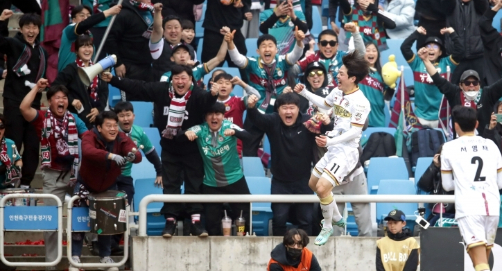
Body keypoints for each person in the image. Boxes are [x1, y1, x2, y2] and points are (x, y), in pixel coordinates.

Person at [102, 64, 219, 238]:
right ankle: (170, 221)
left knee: (194, 184)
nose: (180, 82)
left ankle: (195, 222)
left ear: (190, 80)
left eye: (184, 78)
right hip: (170, 149)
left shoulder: (198, 94)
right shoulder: (162, 90)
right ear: (171, 79)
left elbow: (208, 102)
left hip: (193, 150)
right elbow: (139, 87)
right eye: (176, 78)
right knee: (170, 185)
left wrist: (213, 95)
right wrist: (114, 80)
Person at [441, 106, 502, 271]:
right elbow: (501, 183)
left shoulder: (449, 148)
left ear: (455, 126)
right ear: (477, 124)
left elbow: (447, 185)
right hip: (492, 207)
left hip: (469, 209)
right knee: (482, 263)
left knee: (479, 262)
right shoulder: (491, 145)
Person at [294, 52, 371, 246]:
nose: (337, 75)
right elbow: (324, 104)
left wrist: (331, 142)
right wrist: (304, 93)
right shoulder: (337, 92)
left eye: (342, 73)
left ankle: (327, 225)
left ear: (353, 78)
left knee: (322, 188)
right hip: (334, 148)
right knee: (313, 184)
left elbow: (355, 132)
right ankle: (336, 216)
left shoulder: (361, 102)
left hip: (347, 152)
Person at [20, 80, 88, 268]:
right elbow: (24, 108)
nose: (61, 101)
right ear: (49, 102)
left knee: (79, 218)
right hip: (52, 176)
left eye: (64, 98)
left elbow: (88, 139)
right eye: (57, 97)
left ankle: (76, 258)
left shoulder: (75, 119)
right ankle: (51, 262)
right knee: (51, 221)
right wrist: (37, 89)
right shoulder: (42, 117)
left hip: (75, 173)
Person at [247, 92, 332, 236]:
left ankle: (306, 254)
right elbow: (257, 119)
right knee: (279, 220)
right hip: (280, 182)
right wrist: (250, 107)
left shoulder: (308, 122)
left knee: (306, 221)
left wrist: (327, 123)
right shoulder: (273, 121)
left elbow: (326, 131)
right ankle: (279, 254)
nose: (288, 111)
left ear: (298, 109)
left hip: (304, 181)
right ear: (278, 110)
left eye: (292, 108)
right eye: (284, 108)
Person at [71, 111, 141, 271]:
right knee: (79, 223)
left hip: (109, 187)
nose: (113, 129)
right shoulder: (89, 136)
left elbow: (136, 154)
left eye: (115, 125)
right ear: (99, 128)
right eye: (108, 126)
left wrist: (133, 154)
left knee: (107, 222)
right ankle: (75, 257)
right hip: (85, 186)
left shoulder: (121, 138)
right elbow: (88, 151)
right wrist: (111, 156)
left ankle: (105, 257)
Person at [230, 32, 306, 155]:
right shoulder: (252, 62)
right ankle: (251, 172)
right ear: (258, 51)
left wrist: (298, 42)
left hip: (279, 111)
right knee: (249, 146)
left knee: (283, 146)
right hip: (257, 109)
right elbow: (237, 59)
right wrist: (230, 42)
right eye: (263, 46)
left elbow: (295, 55)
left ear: (276, 50)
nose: (267, 49)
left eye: (270, 46)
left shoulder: (282, 61)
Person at [184, 102, 252, 237]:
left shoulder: (229, 126)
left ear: (223, 116)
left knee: (243, 220)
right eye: (210, 114)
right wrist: (188, 133)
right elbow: (182, 134)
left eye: (218, 114)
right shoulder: (201, 129)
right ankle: (216, 253)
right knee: (212, 224)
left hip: (235, 181)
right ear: (205, 117)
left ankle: (243, 242)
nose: (214, 117)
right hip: (211, 184)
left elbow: (249, 136)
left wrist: (235, 132)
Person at [0, 11, 47, 186]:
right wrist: (1, 22)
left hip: (33, 106)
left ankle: (26, 184)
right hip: (13, 101)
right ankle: (10, 182)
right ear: (20, 29)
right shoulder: (13, 43)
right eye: (27, 26)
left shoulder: (43, 52)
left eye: (34, 27)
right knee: (14, 143)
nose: (31, 30)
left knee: (33, 146)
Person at [103, 0, 160, 85]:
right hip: (129, 66)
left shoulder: (150, 11)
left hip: (147, 64)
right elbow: (110, 39)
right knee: (131, 99)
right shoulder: (123, 14)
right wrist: (118, 63)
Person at [402, 28, 459, 128]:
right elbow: (404, 47)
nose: (431, 49)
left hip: (442, 117)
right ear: (424, 50)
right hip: (420, 117)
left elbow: (460, 51)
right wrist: (416, 33)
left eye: (435, 46)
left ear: (440, 52)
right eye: (428, 46)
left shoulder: (447, 63)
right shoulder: (417, 62)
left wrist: (452, 33)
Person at [53, 33, 109, 129]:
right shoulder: (71, 69)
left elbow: (104, 91)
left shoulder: (98, 68)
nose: (87, 50)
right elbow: (55, 87)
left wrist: (99, 109)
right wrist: (71, 100)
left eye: (89, 46)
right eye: (83, 46)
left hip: (96, 120)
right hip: (76, 120)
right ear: (76, 51)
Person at [442, 0, 490, 85]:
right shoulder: (451, 5)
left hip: (477, 56)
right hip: (455, 57)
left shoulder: (479, 5)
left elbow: (483, 2)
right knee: (453, 90)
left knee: (480, 90)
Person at [114, 101, 163, 206]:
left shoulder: (139, 132)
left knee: (124, 205)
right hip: (109, 177)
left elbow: (151, 154)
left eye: (128, 115)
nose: (125, 119)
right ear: (116, 118)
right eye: (121, 116)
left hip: (125, 177)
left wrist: (160, 172)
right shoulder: (112, 132)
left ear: (134, 116)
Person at [297, 25, 365, 90]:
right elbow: (293, 71)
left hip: (340, 99)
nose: (328, 46)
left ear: (337, 45)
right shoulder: (312, 58)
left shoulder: (344, 57)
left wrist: (355, 32)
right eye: (324, 43)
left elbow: (361, 55)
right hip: (317, 98)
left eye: (332, 43)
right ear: (318, 45)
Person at [57, 4, 121, 73]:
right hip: (68, 76)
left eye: (88, 16)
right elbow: (83, 25)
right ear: (73, 20)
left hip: (85, 77)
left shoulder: (89, 34)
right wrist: (108, 12)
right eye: (82, 15)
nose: (85, 18)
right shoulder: (69, 30)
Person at [330, 0, 396, 51]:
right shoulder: (352, 12)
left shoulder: (378, 14)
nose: (365, 0)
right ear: (357, 0)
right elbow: (344, 3)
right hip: (356, 51)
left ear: (373, 0)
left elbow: (392, 25)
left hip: (373, 52)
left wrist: (374, 9)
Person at [417, 148, 455, 223]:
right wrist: (434, 166)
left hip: (454, 213)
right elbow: (423, 186)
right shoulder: (436, 170)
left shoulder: (461, 170)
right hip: (436, 214)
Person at [0, 116, 22, 189]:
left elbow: (18, 160)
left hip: (6, 187)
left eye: (1, 126)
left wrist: (17, 168)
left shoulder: (10, 143)